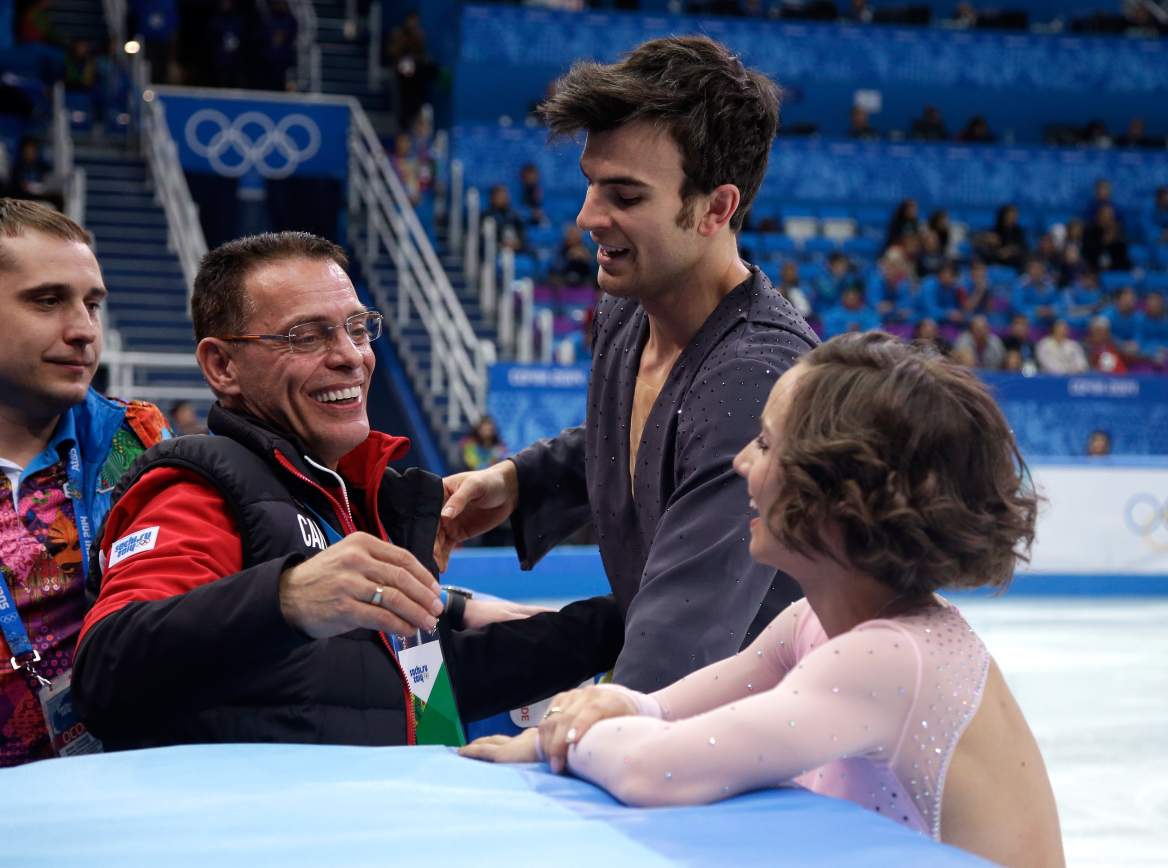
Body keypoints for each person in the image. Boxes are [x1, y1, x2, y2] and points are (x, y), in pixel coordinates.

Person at [462, 332, 1064, 868]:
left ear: (840, 498)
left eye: (767, 445)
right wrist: (578, 720)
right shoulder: (815, 621)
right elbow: (657, 710)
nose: (741, 461)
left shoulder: (887, 659)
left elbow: (656, 767)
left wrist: (558, 735)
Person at [72, 232, 623, 750]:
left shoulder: (353, 498)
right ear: (222, 366)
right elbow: (106, 670)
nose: (350, 356)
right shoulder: (199, 488)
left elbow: (419, 693)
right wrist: (286, 599)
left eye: (358, 329)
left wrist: (621, 623)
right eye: (306, 336)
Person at [437, 36, 819, 693]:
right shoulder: (630, 306)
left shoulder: (757, 377)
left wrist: (577, 740)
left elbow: (683, 638)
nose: (588, 217)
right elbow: (642, 442)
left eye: (625, 196)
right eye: (590, 185)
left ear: (716, 208)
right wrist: (516, 482)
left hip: (757, 736)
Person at [0, 198, 170, 766]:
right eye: (48, 301)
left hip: (122, 790)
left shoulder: (141, 443)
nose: (84, 331)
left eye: (92, 304)